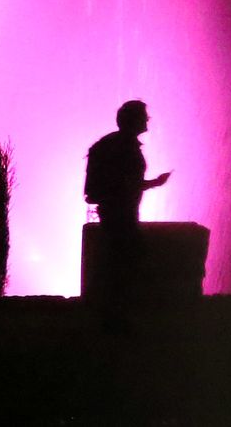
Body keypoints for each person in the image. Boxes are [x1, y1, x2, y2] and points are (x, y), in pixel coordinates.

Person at [85, 100, 170, 310]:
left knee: (116, 265)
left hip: (115, 214)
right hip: (121, 216)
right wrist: (154, 183)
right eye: (144, 115)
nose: (147, 119)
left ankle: (112, 316)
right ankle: (117, 318)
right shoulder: (124, 148)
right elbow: (125, 183)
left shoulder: (107, 145)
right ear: (134, 120)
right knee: (125, 264)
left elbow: (107, 186)